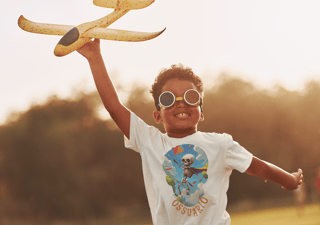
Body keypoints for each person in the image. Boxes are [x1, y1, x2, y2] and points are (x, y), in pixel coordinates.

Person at [77, 39, 304, 225]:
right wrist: (95, 57)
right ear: (158, 116)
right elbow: (114, 107)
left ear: (201, 112)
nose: (181, 103)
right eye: (168, 99)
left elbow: (257, 166)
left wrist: (288, 180)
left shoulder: (220, 143)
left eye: (191, 97)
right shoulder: (150, 142)